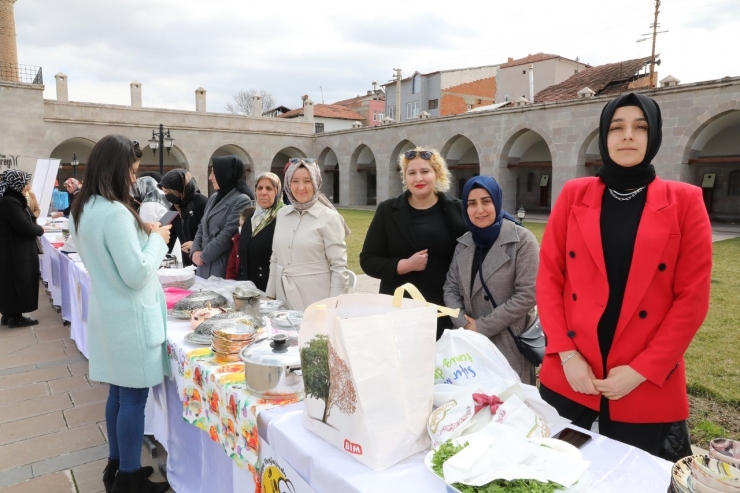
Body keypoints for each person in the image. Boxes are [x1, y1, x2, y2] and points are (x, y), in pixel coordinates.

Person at [536, 93, 712, 461]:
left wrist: (641, 370)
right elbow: (550, 278)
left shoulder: (686, 200)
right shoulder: (573, 194)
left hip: (642, 380)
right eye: (617, 127)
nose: (628, 136)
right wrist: (567, 355)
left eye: (640, 127)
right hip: (573, 371)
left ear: (654, 136)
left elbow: (691, 299)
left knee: (627, 478)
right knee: (551, 469)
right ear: (604, 136)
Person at [69, 135, 171, 493]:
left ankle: (118, 464)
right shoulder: (113, 213)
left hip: (110, 313)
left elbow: (110, 256)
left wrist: (141, 233)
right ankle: (128, 476)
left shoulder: (84, 207)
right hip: (130, 317)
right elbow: (137, 272)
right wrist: (158, 238)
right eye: (132, 169)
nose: (133, 176)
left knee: (118, 393)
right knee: (132, 399)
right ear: (117, 167)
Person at [360, 148, 466, 339]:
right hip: (400, 309)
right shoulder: (387, 210)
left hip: (443, 310)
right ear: (405, 177)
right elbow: (368, 260)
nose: (419, 178)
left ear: (437, 174)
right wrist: (404, 265)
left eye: (425, 171)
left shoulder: (456, 209)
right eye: (412, 173)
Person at [443, 176, 539, 384]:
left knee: (510, 407)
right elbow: (450, 287)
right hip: (468, 344)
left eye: (486, 201)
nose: (480, 210)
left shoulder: (521, 240)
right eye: (472, 203)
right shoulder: (464, 243)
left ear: (496, 201)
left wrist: (483, 327)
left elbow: (527, 294)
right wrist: (463, 324)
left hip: (507, 342)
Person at [266, 159, 349, 310]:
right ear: (288, 184)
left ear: (316, 183)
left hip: (317, 302)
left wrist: (333, 307)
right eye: (295, 181)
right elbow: (275, 258)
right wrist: (269, 297)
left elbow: (339, 267)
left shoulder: (329, 217)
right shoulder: (282, 214)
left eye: (307, 181)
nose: (301, 187)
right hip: (283, 299)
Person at [191, 156, 252, 278]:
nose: (210, 177)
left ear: (226, 173)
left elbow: (228, 234)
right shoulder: (214, 197)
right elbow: (202, 225)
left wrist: (203, 256)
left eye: (214, 172)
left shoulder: (242, 200)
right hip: (202, 266)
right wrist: (195, 250)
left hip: (221, 267)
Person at [0, 170, 45, 328]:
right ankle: (16, 317)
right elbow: (22, 225)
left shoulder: (11, 199)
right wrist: (39, 230)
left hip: (15, 249)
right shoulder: (10, 201)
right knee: (18, 282)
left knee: (12, 282)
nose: (27, 186)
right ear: (16, 184)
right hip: (15, 251)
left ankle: (9, 314)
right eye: (25, 182)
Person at [236, 172, 284, 290]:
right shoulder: (250, 219)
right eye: (259, 188)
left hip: (270, 290)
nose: (263, 192)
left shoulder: (283, 218)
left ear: (277, 192)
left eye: (269, 188)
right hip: (247, 288)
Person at [158, 169, 208, 268]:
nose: (167, 195)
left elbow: (213, 232)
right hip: (188, 267)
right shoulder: (173, 209)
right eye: (164, 192)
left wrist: (196, 244)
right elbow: (167, 240)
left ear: (180, 189)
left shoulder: (201, 202)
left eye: (169, 191)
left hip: (205, 263)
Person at [225, 206, 254, 280]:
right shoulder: (237, 241)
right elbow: (231, 269)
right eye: (240, 225)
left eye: (244, 225)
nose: (241, 228)